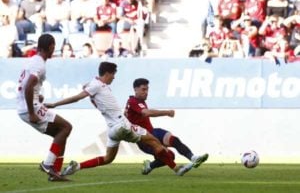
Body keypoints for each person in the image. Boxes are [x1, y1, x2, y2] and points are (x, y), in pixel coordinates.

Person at [45, 62, 193, 177]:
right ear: (107, 73)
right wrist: (55, 104)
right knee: (154, 141)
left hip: (112, 130)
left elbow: (90, 93)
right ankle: (177, 169)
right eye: (113, 74)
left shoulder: (97, 85)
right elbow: (77, 97)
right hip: (122, 124)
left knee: (108, 158)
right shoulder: (96, 85)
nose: (114, 77)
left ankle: (76, 166)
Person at [16, 33, 72, 181]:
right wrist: (32, 112)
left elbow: (26, 86)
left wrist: (37, 96)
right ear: (51, 47)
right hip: (30, 108)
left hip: (27, 105)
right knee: (66, 127)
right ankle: (48, 164)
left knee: (61, 133)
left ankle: (55, 173)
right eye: (54, 46)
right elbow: (28, 86)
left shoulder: (33, 61)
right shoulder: (39, 64)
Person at [124, 78, 209, 175]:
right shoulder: (133, 101)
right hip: (144, 139)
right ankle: (150, 166)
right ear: (135, 89)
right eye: (143, 89)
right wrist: (167, 112)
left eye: (147, 89)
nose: (146, 92)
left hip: (152, 132)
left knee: (174, 140)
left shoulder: (138, 102)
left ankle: (193, 158)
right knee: (170, 156)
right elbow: (147, 113)